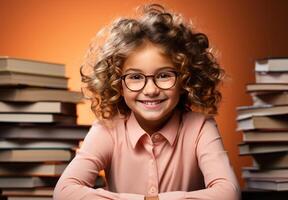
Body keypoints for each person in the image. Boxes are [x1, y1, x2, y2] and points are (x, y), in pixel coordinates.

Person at [53, 3, 240, 200]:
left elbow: (228, 193)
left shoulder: (201, 128)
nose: (151, 90)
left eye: (164, 75)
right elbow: (64, 192)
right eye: (135, 77)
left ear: (185, 78)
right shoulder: (108, 129)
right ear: (118, 83)